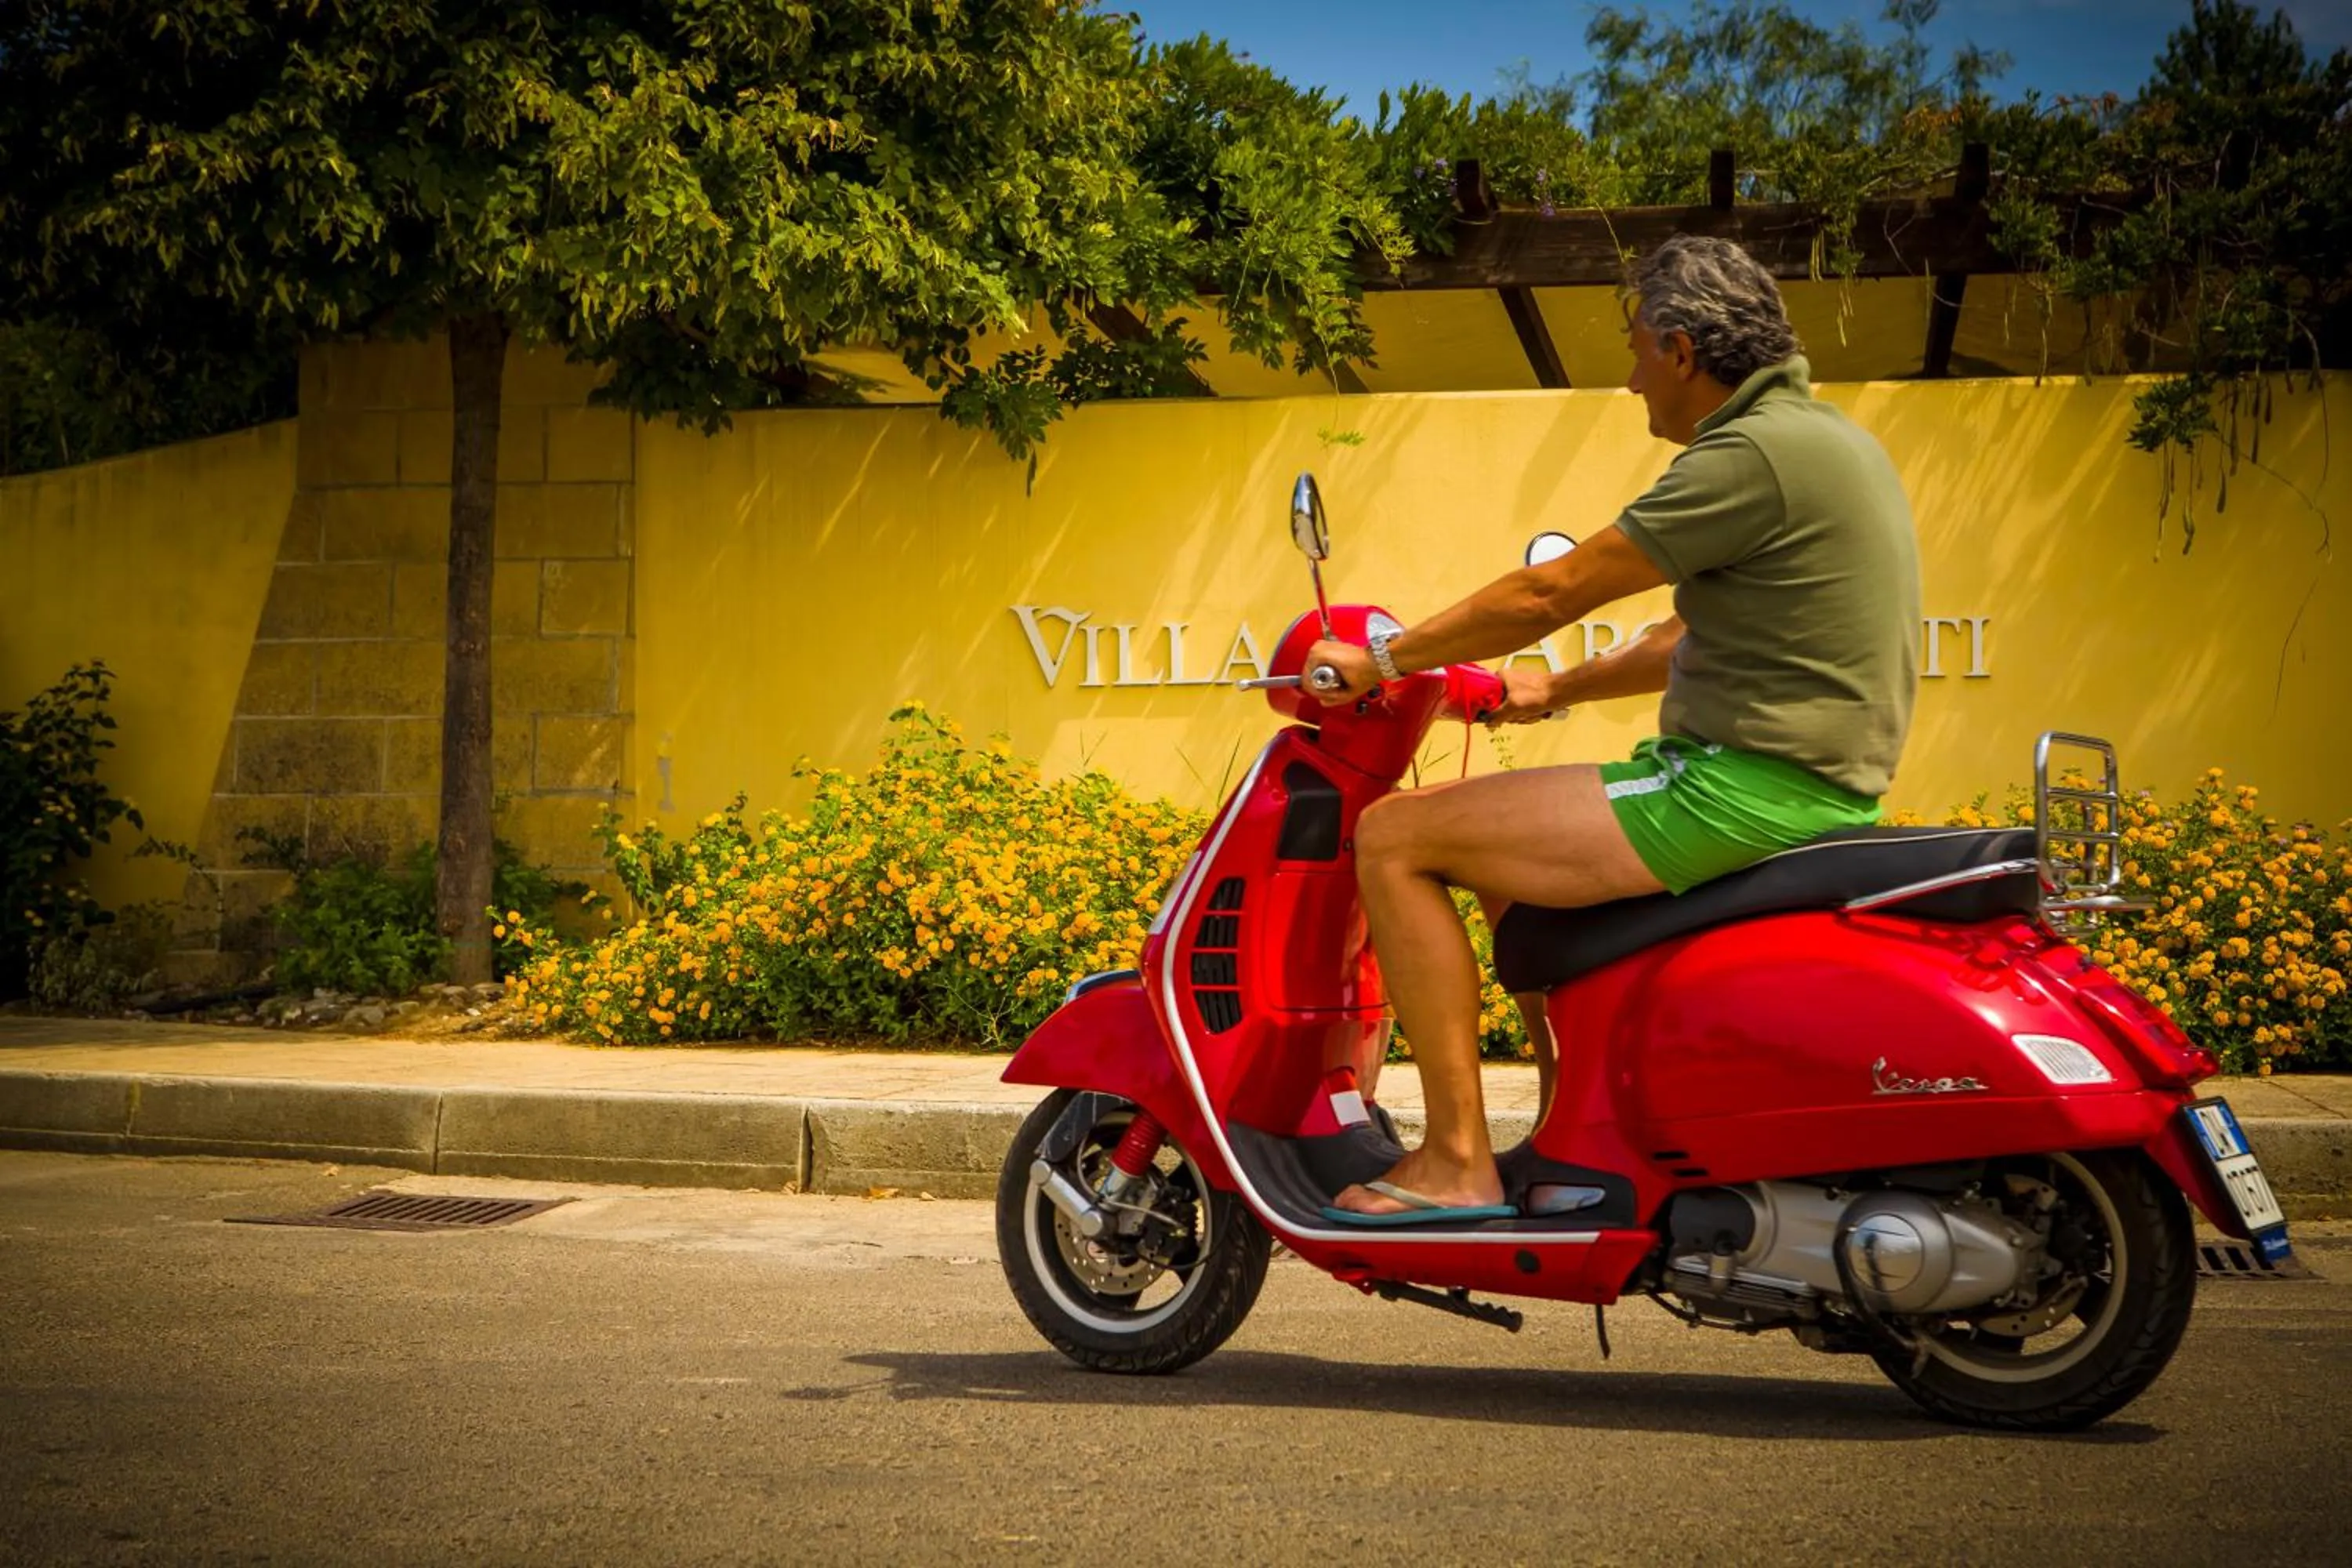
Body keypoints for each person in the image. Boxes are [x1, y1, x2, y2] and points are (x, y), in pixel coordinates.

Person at [1306, 234, 1922, 1221]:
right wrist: (1553, 689)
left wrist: (1382, 658)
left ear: (1681, 350)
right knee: (1497, 857)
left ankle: (1456, 1160)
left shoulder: (1749, 455)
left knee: (1395, 834)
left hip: (1736, 788)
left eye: (1638, 355)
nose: (1633, 382)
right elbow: (1681, 639)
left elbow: (1551, 589)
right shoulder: (1821, 439)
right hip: (1787, 783)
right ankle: (1569, 1128)